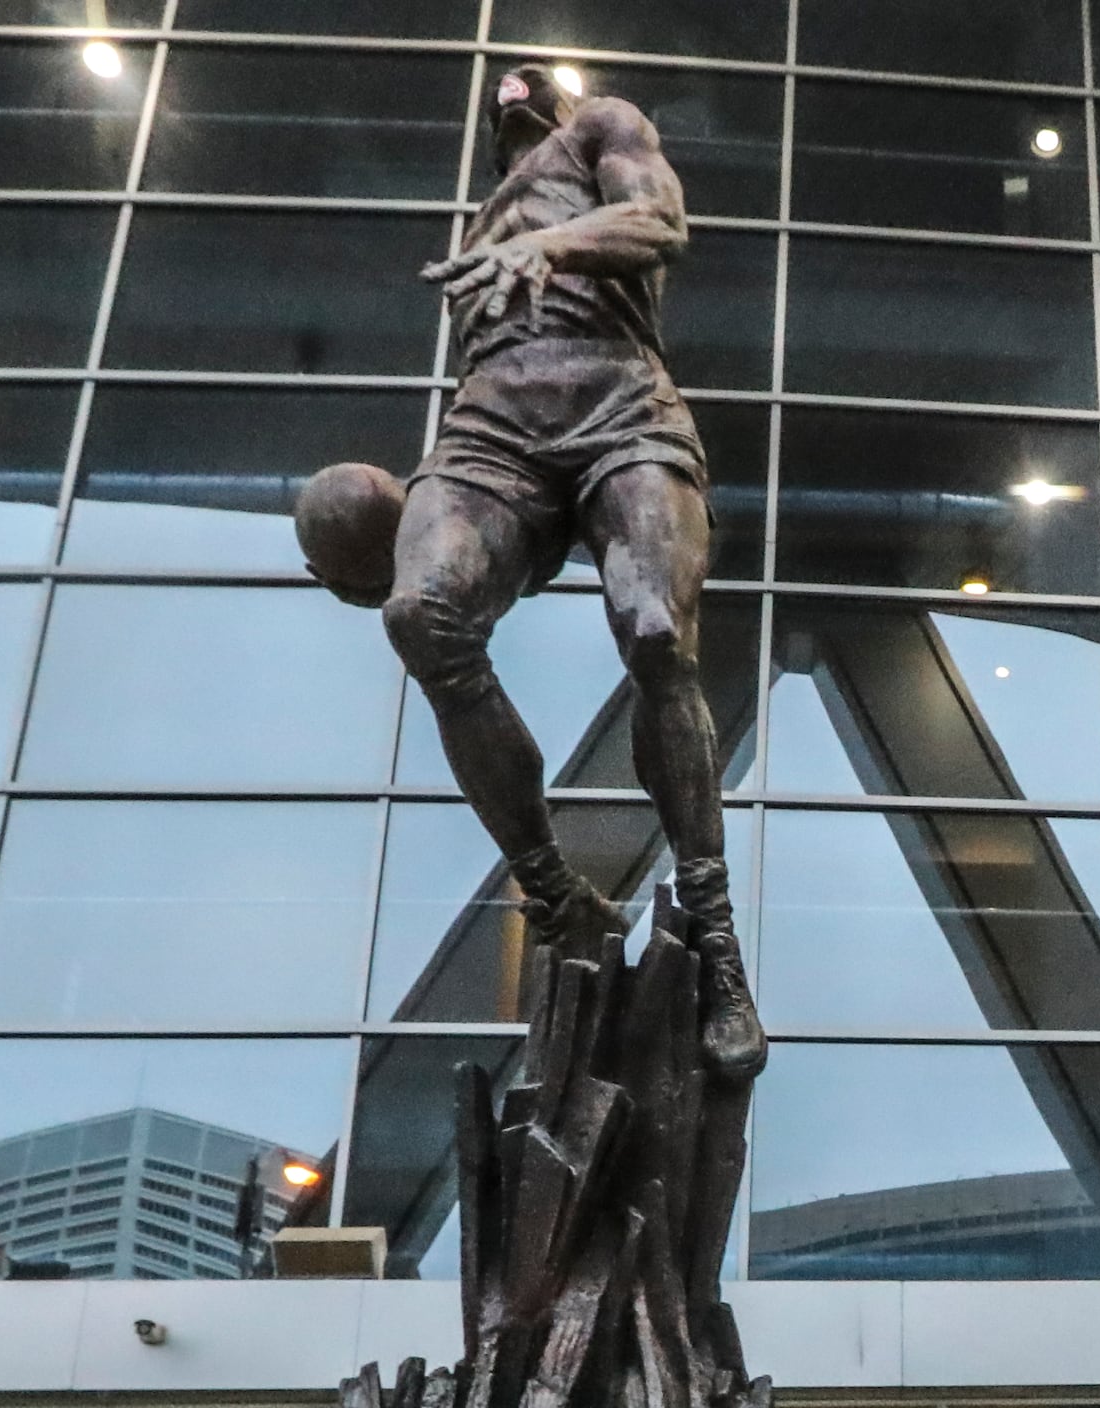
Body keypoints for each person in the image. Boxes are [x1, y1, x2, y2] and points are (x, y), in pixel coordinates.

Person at [296, 58, 756, 1075]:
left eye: (530, 78)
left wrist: (551, 244)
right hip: (494, 427)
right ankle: (553, 894)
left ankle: (715, 939)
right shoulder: (475, 223)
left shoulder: (602, 130)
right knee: (420, 615)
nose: (513, 87)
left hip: (618, 405)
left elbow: (661, 228)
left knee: (653, 634)